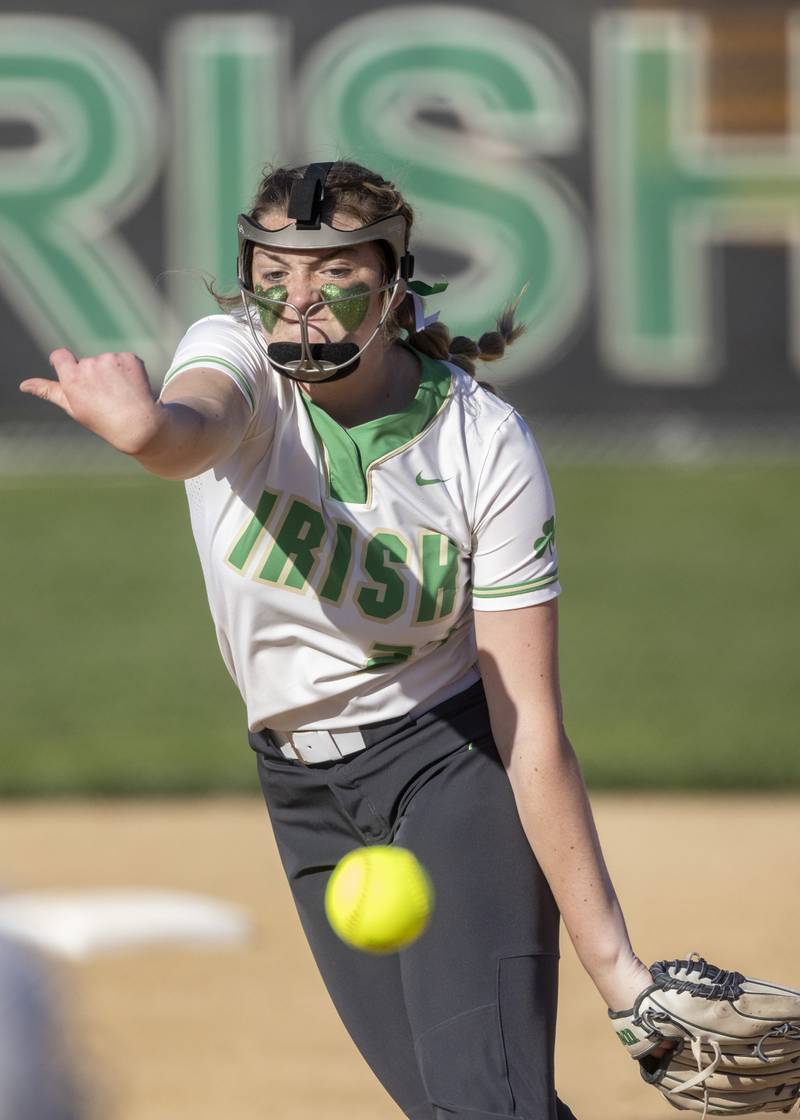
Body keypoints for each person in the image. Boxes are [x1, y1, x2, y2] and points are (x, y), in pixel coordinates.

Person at [20, 161, 659, 1120]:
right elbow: (195, 428)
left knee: (486, 1108)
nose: (300, 301)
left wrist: (620, 972)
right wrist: (146, 428)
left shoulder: (484, 445)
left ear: (394, 281)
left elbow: (530, 728)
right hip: (301, 792)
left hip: (448, 768)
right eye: (275, 273)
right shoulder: (236, 361)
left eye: (333, 274)